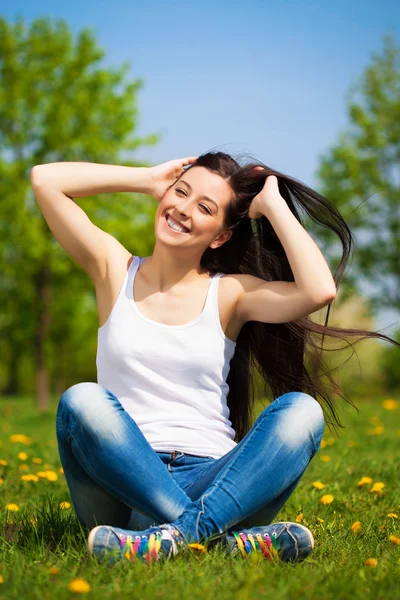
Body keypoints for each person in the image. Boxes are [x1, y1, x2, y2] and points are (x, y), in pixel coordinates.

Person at [31, 152, 399, 565]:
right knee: (82, 401)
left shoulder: (230, 294)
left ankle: (166, 538)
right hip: (120, 483)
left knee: (302, 411)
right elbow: (45, 180)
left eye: (205, 207)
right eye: (181, 192)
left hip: (219, 482)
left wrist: (273, 205)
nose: (183, 209)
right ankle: (217, 538)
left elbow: (319, 290)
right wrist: (148, 178)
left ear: (221, 236)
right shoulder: (113, 269)